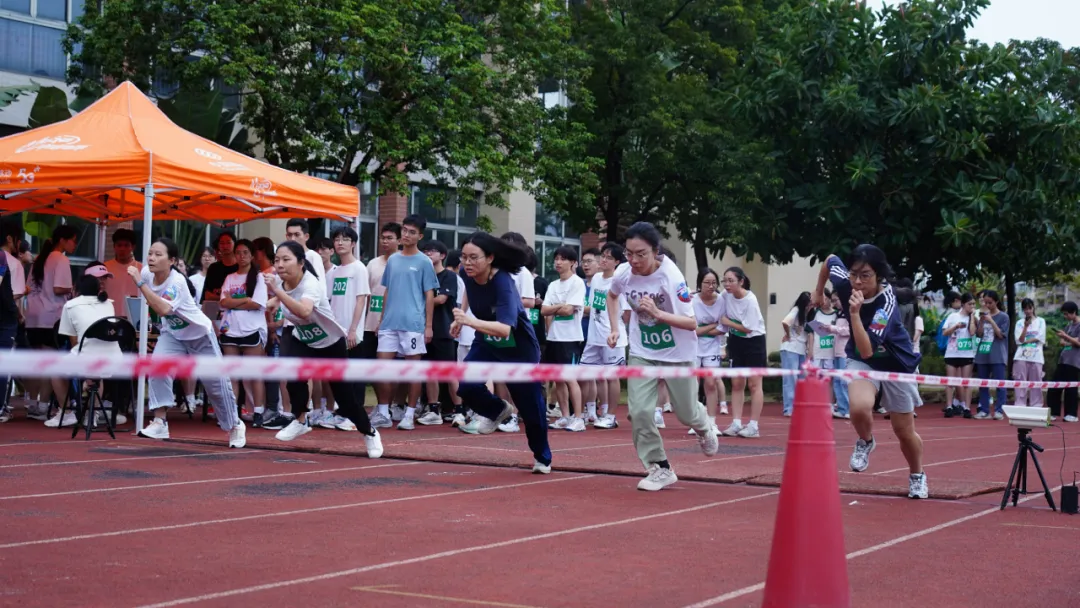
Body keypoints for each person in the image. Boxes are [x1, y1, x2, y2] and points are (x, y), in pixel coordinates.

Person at [607, 222, 718, 492]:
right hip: (642, 351)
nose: (633, 260)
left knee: (686, 413)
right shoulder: (624, 272)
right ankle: (659, 467)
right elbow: (612, 296)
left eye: (641, 254)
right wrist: (614, 328)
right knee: (639, 412)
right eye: (629, 253)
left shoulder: (671, 278)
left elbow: (691, 323)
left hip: (678, 353)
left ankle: (703, 424)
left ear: (656, 251)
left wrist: (658, 313)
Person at [812, 244, 928, 499]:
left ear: (879, 275)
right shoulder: (845, 283)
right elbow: (830, 259)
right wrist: (818, 291)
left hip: (896, 364)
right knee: (858, 407)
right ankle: (865, 441)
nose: (857, 281)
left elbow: (867, 349)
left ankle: (917, 474)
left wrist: (854, 313)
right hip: (862, 361)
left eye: (865, 276)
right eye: (854, 274)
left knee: (903, 431)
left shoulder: (886, 304)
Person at [265, 241, 383, 455]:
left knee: (346, 400)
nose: (279, 265)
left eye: (286, 259)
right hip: (304, 340)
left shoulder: (312, 285)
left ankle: (370, 432)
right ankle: (301, 420)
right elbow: (287, 293)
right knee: (293, 378)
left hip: (330, 343)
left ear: (301, 263)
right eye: (277, 260)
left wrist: (276, 293)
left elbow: (303, 311)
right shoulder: (282, 282)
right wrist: (275, 299)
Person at [127, 238, 246, 448]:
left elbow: (163, 309)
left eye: (158, 255)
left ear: (171, 261)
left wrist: (140, 284)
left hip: (199, 335)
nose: (152, 258)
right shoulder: (146, 273)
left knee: (215, 385)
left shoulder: (177, 282)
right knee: (157, 367)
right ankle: (160, 421)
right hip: (173, 334)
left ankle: (235, 425)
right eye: (150, 253)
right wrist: (142, 281)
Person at [450, 232, 551, 473]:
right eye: (464, 257)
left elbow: (505, 329)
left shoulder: (503, 282)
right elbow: (468, 291)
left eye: (474, 258)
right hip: (486, 341)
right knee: (466, 385)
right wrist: (460, 316)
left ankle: (542, 457)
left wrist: (469, 321)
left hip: (519, 348)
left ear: (490, 258)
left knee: (531, 408)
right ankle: (498, 410)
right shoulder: (466, 273)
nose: (467, 263)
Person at [376, 214, 438, 431]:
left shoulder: (424, 262)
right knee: (382, 368)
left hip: (413, 324)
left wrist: (428, 326)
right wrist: (381, 319)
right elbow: (387, 290)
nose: (406, 235)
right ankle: (383, 412)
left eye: (412, 232)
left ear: (420, 236)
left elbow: (429, 294)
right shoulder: (393, 260)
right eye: (404, 230)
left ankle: (409, 414)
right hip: (389, 324)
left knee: (413, 371)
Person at [46, 263, 126, 428]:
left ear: (77, 289)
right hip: (114, 360)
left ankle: (66, 413)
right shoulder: (108, 304)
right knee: (97, 371)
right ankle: (92, 414)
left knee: (54, 369)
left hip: (88, 359)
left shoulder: (71, 305)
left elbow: (72, 338)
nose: (103, 282)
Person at [25, 225, 78, 420]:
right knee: (50, 362)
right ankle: (43, 405)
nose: (75, 245)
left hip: (33, 316)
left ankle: (32, 403)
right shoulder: (61, 259)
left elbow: (28, 287)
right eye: (73, 240)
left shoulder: (40, 258)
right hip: (51, 317)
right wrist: (73, 289)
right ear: (62, 240)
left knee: (35, 362)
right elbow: (58, 288)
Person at [323, 226, 371, 430]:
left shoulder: (359, 268)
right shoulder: (335, 271)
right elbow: (328, 301)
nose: (340, 243)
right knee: (339, 375)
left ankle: (355, 417)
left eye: (345, 239)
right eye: (337, 239)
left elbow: (361, 300)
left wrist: (353, 329)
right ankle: (343, 412)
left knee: (354, 375)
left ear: (353, 243)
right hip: (336, 332)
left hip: (352, 332)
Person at [218, 239, 269, 423]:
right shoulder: (230, 278)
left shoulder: (259, 278)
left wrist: (234, 302)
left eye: (245, 252)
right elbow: (223, 302)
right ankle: (233, 413)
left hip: (252, 329)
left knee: (254, 373)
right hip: (230, 330)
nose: (241, 256)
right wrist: (245, 299)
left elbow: (257, 304)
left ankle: (258, 411)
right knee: (232, 374)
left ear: (252, 255)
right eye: (238, 253)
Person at [582, 242, 629, 430]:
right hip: (594, 336)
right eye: (603, 256)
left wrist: (616, 329)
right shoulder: (596, 279)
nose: (604, 260)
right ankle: (588, 412)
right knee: (585, 373)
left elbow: (626, 312)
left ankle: (610, 416)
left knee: (611, 377)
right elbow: (593, 306)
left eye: (609, 257)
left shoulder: (619, 282)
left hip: (613, 338)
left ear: (617, 262)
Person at [542, 245, 587, 431]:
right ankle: (565, 416)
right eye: (556, 259)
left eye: (563, 259)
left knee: (570, 378)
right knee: (558, 379)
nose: (558, 262)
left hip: (571, 338)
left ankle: (579, 418)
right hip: (554, 337)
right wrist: (560, 306)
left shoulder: (577, 283)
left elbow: (569, 310)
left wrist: (556, 307)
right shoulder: (553, 285)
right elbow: (544, 310)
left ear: (573, 263)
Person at [719, 266, 767, 438]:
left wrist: (728, 322)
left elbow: (748, 328)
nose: (727, 284)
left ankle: (753, 426)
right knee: (737, 383)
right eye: (725, 280)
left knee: (754, 384)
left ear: (741, 281)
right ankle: (736, 423)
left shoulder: (750, 300)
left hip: (754, 342)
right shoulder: (725, 295)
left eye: (731, 280)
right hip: (736, 341)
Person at [364, 222, 401, 429]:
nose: (385, 242)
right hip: (370, 325)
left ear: (399, 240)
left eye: (390, 238)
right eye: (383, 238)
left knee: (390, 368)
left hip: (393, 325)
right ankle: (381, 407)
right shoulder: (372, 264)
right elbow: (366, 295)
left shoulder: (403, 263)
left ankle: (388, 407)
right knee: (373, 368)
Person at [419, 240, 458, 425]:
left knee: (449, 372)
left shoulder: (449, 276)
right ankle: (433, 409)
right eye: (425, 251)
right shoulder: (421, 275)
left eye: (432, 251)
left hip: (443, 330)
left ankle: (459, 410)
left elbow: (441, 299)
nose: (428, 254)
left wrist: (417, 301)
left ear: (442, 255)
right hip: (423, 330)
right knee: (430, 371)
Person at [691, 268, 727, 436]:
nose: (711, 286)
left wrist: (705, 328)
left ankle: (712, 422)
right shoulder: (693, 301)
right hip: (693, 347)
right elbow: (694, 330)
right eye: (707, 283)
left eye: (714, 283)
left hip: (712, 347)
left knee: (711, 383)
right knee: (693, 384)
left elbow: (722, 328)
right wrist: (713, 325)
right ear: (700, 283)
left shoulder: (721, 301)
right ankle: (696, 421)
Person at [974, 290, 1009, 420]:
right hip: (983, 352)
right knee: (983, 384)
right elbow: (979, 334)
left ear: (996, 302)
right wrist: (981, 322)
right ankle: (984, 410)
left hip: (997, 354)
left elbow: (1001, 335)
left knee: (1000, 383)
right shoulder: (983, 316)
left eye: (990, 302)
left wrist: (991, 321)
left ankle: (999, 410)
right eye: (985, 302)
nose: (987, 305)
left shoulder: (1004, 317)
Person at [942, 293, 976, 418]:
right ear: (963, 304)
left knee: (966, 382)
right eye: (970, 304)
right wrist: (956, 326)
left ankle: (966, 407)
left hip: (967, 353)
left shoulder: (973, 317)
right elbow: (945, 332)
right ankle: (949, 406)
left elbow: (972, 332)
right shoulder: (953, 316)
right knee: (950, 381)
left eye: (974, 304)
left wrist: (972, 317)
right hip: (952, 352)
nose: (972, 306)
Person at [1046, 301, 1080, 423]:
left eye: (1067, 314)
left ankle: (1071, 414)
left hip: (1074, 361)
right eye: (1064, 314)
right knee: (1055, 386)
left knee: (1071, 388)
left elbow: (1078, 343)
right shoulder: (1069, 326)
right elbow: (1066, 342)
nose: (1065, 316)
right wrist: (1063, 339)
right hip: (1063, 360)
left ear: (1074, 312)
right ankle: (1053, 412)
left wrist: (1066, 337)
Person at [779, 292, 812, 417]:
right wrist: (788, 335)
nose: (810, 306)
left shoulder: (808, 314)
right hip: (790, 348)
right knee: (790, 378)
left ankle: (798, 406)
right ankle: (789, 408)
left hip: (801, 349)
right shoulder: (796, 310)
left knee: (801, 378)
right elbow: (785, 322)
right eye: (808, 304)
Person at [1012, 298, 1046, 408]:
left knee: (1036, 382)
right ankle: (1020, 405)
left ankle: (1036, 405)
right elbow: (1019, 341)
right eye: (1025, 309)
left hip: (1036, 356)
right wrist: (1026, 327)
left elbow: (1040, 337)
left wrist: (1026, 341)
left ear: (1033, 307)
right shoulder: (1019, 323)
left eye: (1030, 308)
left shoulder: (1041, 321)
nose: (1028, 311)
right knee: (1020, 382)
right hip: (1021, 357)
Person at [103, 229, 142, 319]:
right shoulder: (104, 268)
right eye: (119, 245)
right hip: (109, 316)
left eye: (126, 245)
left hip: (134, 318)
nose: (122, 249)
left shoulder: (141, 269)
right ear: (114, 246)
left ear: (133, 247)